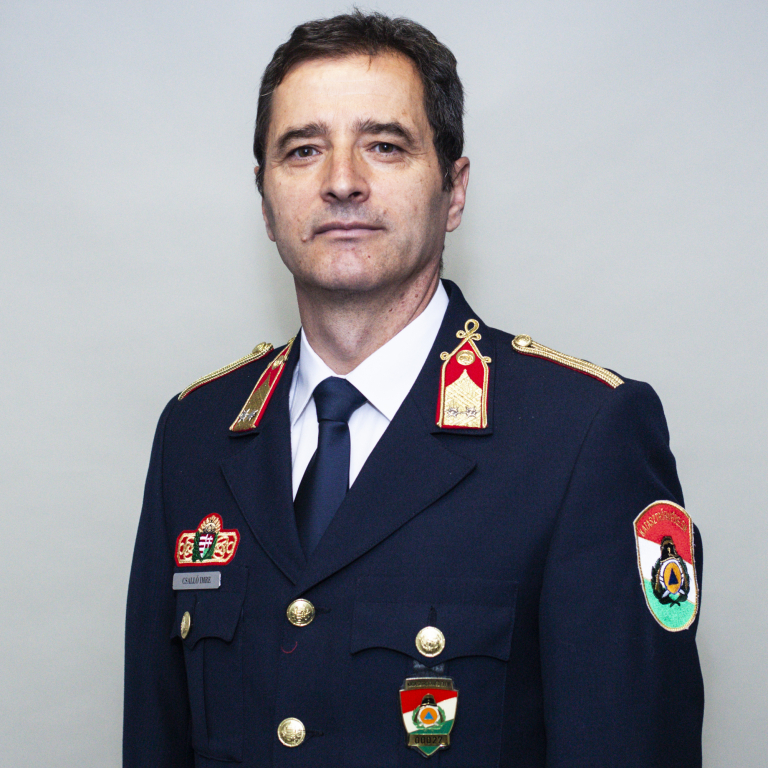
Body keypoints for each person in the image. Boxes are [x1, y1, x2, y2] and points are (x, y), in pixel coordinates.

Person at [124, 11, 703, 768]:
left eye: (385, 146)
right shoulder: (196, 435)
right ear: (265, 202)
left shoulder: (582, 435)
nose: (341, 182)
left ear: (453, 191)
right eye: (302, 150)